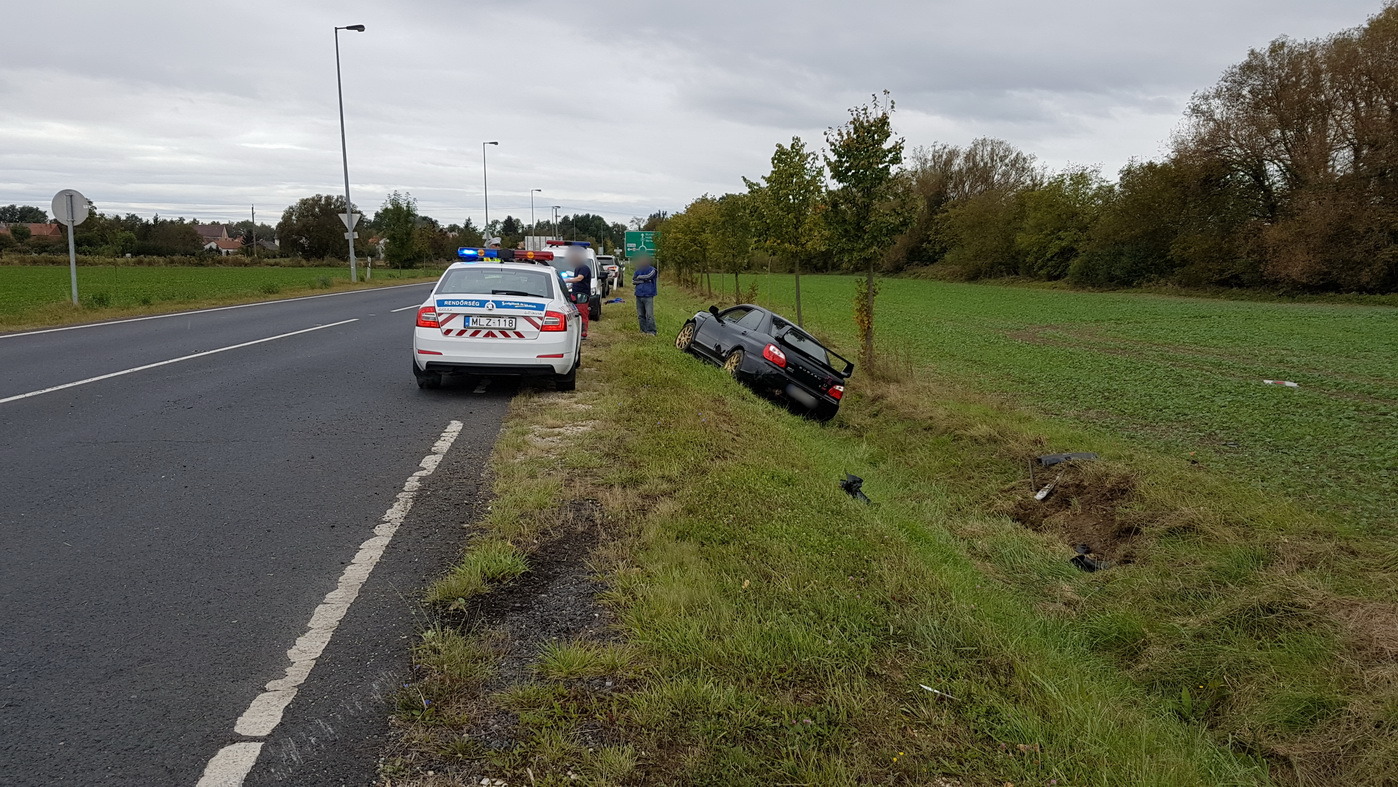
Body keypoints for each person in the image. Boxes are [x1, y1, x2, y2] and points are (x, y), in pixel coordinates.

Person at [562, 246, 591, 338]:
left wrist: (566, 280)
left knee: (582, 313)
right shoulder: (577, 268)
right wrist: (568, 287)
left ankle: (583, 333)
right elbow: (576, 282)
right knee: (575, 314)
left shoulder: (584, 268)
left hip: (582, 295)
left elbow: (579, 278)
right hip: (575, 294)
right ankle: (577, 332)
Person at [631, 253, 658, 335]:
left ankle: (652, 331)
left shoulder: (653, 270)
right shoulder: (638, 270)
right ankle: (643, 330)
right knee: (640, 315)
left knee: (649, 315)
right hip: (639, 295)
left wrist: (639, 278)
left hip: (648, 295)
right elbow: (633, 281)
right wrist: (642, 280)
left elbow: (649, 276)